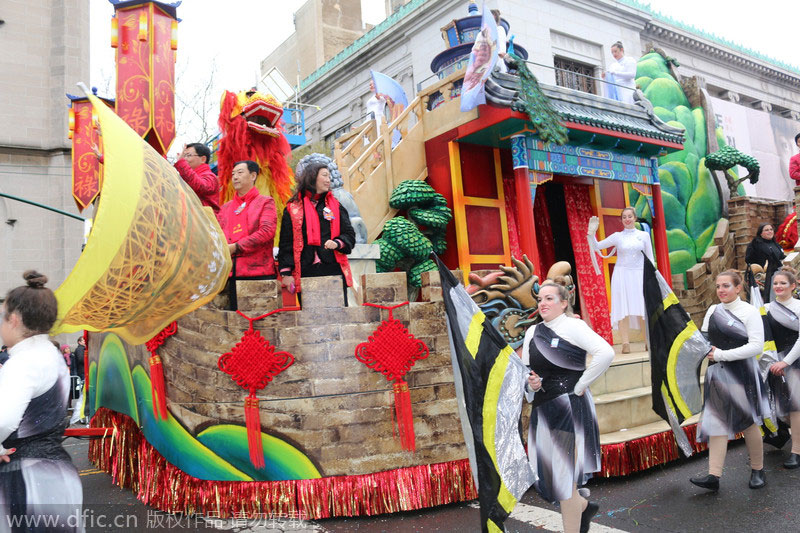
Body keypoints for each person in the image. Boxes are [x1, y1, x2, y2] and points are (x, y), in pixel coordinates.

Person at [522, 281, 614, 533]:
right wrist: (533, 384)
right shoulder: (532, 332)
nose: (543, 303)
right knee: (552, 479)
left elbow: (605, 353)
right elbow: (527, 374)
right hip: (544, 408)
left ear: (564, 303)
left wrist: (581, 384)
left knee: (563, 480)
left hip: (570, 408)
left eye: (550, 299)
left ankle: (575, 520)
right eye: (540, 299)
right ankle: (583, 506)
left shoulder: (573, 326)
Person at [0, 271, 83, 528]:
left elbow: (3, 421)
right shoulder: (51, 354)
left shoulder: (23, 362)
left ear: (13, 319)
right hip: (58, 475)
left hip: (29, 480)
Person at [691, 271, 767, 491]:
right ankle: (714, 476)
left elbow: (756, 346)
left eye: (726, 286)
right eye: (718, 286)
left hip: (742, 372)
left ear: (738, 288)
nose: (721, 290)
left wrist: (721, 354)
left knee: (749, 421)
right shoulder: (713, 310)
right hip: (717, 372)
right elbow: (704, 339)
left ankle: (758, 468)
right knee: (717, 421)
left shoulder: (750, 312)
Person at [278, 161, 355, 297]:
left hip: (332, 267)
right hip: (305, 269)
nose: (328, 179)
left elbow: (349, 234)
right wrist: (286, 273)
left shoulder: (335, 206)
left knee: (337, 315)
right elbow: (286, 243)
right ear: (312, 177)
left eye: (329, 176)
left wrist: (337, 243)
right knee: (310, 316)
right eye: (324, 175)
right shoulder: (293, 208)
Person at [588, 207, 654, 353]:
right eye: (624, 217)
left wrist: (653, 276)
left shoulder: (644, 235)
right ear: (621, 220)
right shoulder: (617, 236)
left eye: (630, 216)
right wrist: (591, 234)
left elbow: (650, 257)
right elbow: (597, 246)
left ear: (635, 218)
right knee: (623, 308)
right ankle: (625, 343)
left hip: (639, 274)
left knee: (642, 308)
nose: (627, 219)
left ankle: (647, 341)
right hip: (622, 274)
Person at [218, 160, 278, 280]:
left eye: (240, 172)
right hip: (229, 273)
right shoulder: (225, 208)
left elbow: (267, 232)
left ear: (253, 176)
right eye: (233, 174)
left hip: (258, 272)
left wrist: (236, 246)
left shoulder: (265, 202)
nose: (235, 177)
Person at [765, 267, 800, 468]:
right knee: (782, 409)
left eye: (782, 283)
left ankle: (796, 451)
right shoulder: (766, 309)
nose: (777, 286)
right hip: (774, 362)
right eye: (775, 283)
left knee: (795, 407)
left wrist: (786, 361)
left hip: (795, 360)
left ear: (793, 286)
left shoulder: (798, 307)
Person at [174, 142, 221, 214]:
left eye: (188, 155)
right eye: (184, 156)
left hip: (205, 223)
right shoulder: (185, 177)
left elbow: (199, 186)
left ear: (203, 159)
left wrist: (181, 163)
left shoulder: (210, 177)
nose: (185, 159)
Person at [745, 223, 785, 302]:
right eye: (766, 230)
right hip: (762, 277)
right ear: (761, 233)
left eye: (771, 229)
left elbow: (781, 258)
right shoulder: (755, 244)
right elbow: (748, 260)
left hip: (777, 275)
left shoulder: (776, 244)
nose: (770, 232)